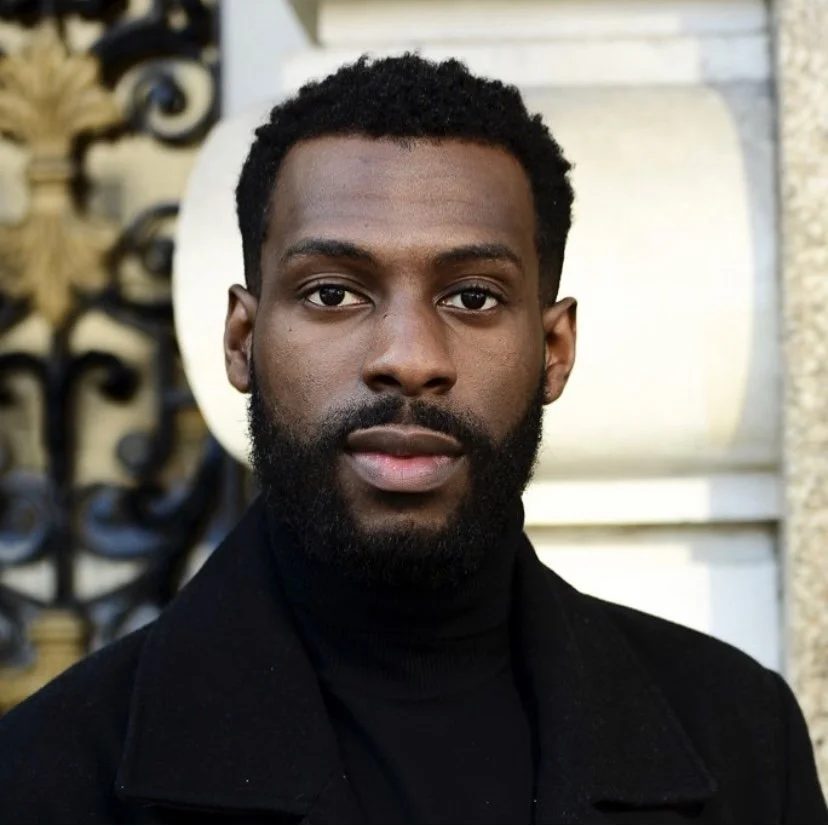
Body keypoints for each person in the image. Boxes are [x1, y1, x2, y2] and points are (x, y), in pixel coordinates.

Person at [0, 54, 825, 825]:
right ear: (243, 341)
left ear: (554, 349)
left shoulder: (740, 738)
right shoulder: (47, 774)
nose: (409, 360)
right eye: (332, 293)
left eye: (471, 298)